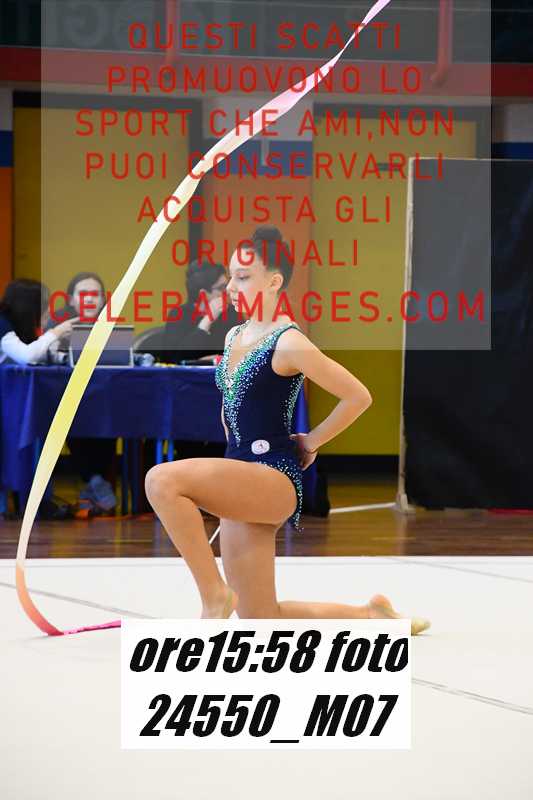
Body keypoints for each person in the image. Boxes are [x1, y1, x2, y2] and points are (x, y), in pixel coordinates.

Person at [144, 226, 430, 633]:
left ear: (273, 281)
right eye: (231, 277)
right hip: (240, 473)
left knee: (161, 480)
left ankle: (213, 595)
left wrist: (311, 441)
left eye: (243, 277)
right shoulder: (234, 335)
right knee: (260, 617)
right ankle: (371, 614)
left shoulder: (289, 341)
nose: (231, 287)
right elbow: (231, 412)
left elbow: (357, 396)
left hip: (272, 476)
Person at [47, 271, 116, 515]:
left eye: (95, 294)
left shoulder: (110, 324)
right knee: (72, 417)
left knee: (111, 416)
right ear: (71, 299)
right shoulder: (58, 324)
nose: (90, 299)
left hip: (104, 399)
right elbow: (46, 356)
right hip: (66, 398)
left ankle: (94, 484)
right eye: (83, 294)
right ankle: (96, 482)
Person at [158, 259, 240, 364]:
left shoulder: (231, 312)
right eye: (221, 288)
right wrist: (207, 321)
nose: (227, 291)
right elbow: (173, 360)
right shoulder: (178, 315)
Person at [0, 279, 76, 365]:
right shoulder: (3, 323)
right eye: (44, 303)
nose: (49, 310)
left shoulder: (20, 327)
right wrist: (56, 332)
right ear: (28, 306)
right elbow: (28, 357)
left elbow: (36, 353)